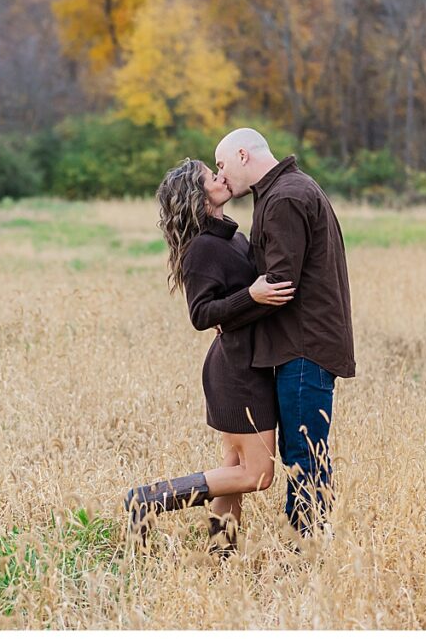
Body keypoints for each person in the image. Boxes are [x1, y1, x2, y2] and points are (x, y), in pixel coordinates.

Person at [124, 158, 295, 554]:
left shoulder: (231, 239)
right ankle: (149, 497)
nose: (221, 178)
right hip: (236, 372)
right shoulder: (203, 248)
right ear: (198, 196)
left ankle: (221, 553)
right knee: (257, 475)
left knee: (235, 471)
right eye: (211, 177)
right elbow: (201, 314)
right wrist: (250, 295)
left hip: (247, 364)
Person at [214, 127, 355, 538]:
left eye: (222, 165)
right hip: (301, 344)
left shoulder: (284, 198)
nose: (222, 176)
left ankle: (306, 547)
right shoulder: (287, 190)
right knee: (307, 450)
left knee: (304, 455)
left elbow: (278, 284)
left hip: (303, 347)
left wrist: (225, 314)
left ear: (243, 155)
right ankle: (311, 542)